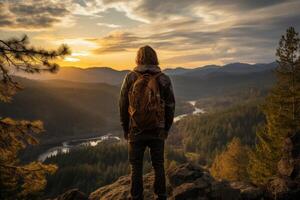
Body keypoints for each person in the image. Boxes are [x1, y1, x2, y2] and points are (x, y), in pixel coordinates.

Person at [119, 45, 175, 200]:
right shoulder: (163, 78)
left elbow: (123, 104)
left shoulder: (130, 77)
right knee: (158, 164)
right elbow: (171, 105)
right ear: (155, 58)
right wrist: (166, 128)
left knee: (136, 166)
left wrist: (125, 128)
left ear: (138, 58)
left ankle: (136, 197)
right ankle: (161, 195)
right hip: (157, 129)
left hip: (135, 130)